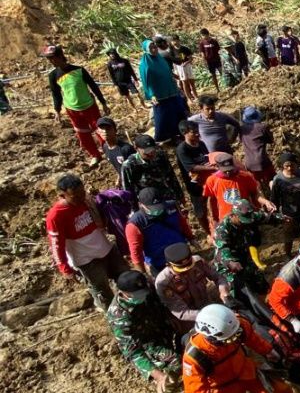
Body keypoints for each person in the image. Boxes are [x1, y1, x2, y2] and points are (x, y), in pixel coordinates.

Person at [46, 174, 129, 311]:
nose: (81, 198)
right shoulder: (56, 216)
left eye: (82, 193)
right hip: (86, 260)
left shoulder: (87, 201)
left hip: (105, 248)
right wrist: (64, 268)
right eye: (75, 196)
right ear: (62, 195)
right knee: (102, 292)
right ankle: (113, 316)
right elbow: (56, 244)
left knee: (125, 276)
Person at [107, 270, 181, 393]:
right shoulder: (119, 316)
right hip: (149, 343)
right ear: (124, 293)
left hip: (164, 328)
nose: (144, 296)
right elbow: (133, 352)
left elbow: (160, 302)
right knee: (176, 362)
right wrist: (157, 375)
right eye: (138, 295)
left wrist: (170, 317)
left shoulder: (147, 286)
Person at [43, 45, 109, 167]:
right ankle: (95, 155)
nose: (51, 61)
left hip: (89, 106)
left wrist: (103, 102)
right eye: (49, 59)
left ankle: (109, 152)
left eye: (53, 58)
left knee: (100, 130)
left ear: (60, 56)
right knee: (83, 134)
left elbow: (93, 86)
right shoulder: (53, 76)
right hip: (72, 109)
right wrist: (57, 110)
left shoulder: (79, 70)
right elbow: (56, 94)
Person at [213, 199, 280, 303]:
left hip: (244, 256)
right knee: (236, 292)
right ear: (233, 215)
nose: (246, 223)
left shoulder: (250, 216)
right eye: (242, 220)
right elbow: (222, 250)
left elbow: (265, 217)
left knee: (260, 283)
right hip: (227, 263)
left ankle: (267, 304)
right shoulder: (222, 229)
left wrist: (282, 218)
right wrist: (231, 262)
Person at [155, 242, 231, 334]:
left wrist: (223, 290)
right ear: (169, 265)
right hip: (190, 321)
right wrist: (209, 316)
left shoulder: (198, 262)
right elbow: (182, 312)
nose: (187, 270)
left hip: (206, 305)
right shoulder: (163, 283)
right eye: (182, 270)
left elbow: (218, 277)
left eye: (189, 266)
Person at [126, 187, 193, 276]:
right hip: (160, 263)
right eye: (152, 208)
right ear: (141, 205)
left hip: (181, 254)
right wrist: (142, 274)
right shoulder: (135, 224)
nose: (157, 209)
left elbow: (182, 224)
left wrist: (191, 238)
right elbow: (135, 252)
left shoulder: (172, 207)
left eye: (159, 206)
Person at [203, 152, 272, 228]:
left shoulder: (245, 176)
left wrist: (265, 202)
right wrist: (214, 220)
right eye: (225, 170)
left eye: (230, 169)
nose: (228, 172)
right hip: (227, 220)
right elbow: (211, 201)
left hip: (246, 217)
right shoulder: (212, 180)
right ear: (217, 167)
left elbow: (255, 194)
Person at [138, 39, 188, 143]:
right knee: (165, 115)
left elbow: (167, 71)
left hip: (171, 89)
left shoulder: (160, 58)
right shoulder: (144, 64)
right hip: (159, 94)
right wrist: (151, 95)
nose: (154, 49)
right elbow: (146, 81)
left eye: (154, 46)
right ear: (146, 49)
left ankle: (182, 131)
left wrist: (174, 78)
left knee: (178, 110)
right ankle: (168, 136)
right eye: (151, 47)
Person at [176, 120, 214, 236]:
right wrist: (211, 168)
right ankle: (209, 233)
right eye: (194, 132)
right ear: (185, 133)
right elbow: (191, 167)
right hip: (195, 186)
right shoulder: (182, 149)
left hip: (208, 182)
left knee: (212, 206)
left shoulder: (201, 144)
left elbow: (208, 158)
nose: (197, 134)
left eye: (197, 131)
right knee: (201, 211)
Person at [121, 134, 184, 203]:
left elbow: (171, 176)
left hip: (168, 199)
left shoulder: (160, 155)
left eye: (152, 150)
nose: (151, 154)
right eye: (147, 152)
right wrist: (135, 210)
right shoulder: (129, 165)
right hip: (149, 204)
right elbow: (128, 190)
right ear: (136, 148)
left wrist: (180, 196)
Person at [239, 106, 276, 191]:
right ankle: (276, 198)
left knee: (256, 184)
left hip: (249, 163)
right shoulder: (262, 127)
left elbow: (241, 140)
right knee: (272, 179)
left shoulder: (242, 128)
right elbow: (270, 140)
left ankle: (262, 201)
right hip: (262, 160)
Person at [96, 117, 135, 183]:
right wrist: (119, 177)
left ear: (115, 130)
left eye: (108, 128)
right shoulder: (105, 147)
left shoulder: (126, 149)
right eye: (102, 128)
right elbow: (118, 166)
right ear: (98, 131)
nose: (105, 131)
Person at [170, 34, 197, 101]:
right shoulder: (172, 51)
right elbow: (172, 60)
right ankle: (188, 97)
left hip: (187, 66)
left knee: (191, 81)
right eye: (173, 41)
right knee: (184, 82)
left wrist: (186, 63)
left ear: (179, 40)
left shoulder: (185, 48)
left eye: (175, 40)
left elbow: (190, 58)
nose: (174, 42)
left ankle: (196, 96)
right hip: (179, 67)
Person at [198, 28, 222, 92]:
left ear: (207, 34)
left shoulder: (214, 41)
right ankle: (217, 89)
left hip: (217, 60)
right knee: (213, 75)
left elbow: (218, 50)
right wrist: (204, 61)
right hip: (209, 62)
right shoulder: (202, 43)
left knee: (221, 72)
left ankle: (225, 85)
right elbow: (202, 52)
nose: (203, 37)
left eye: (204, 35)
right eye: (202, 35)